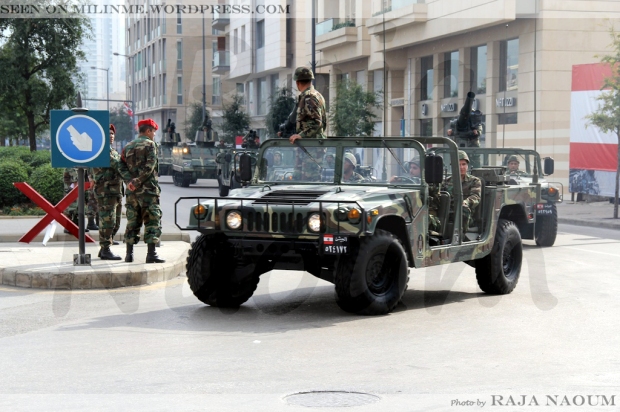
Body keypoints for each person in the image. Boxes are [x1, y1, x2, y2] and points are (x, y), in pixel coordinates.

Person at [119, 118, 165, 264]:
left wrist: (129, 182)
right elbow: (150, 166)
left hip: (132, 192)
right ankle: (151, 254)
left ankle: (129, 254)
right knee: (152, 220)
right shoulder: (151, 145)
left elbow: (121, 166)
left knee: (132, 221)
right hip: (148, 192)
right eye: (154, 132)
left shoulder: (128, 146)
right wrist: (138, 181)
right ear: (148, 131)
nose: (154, 135)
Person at [90, 124, 123, 260]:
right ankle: (105, 249)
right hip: (106, 192)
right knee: (107, 221)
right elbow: (118, 165)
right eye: (108, 133)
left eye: (112, 133)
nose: (111, 136)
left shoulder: (113, 151)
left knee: (115, 222)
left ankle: (105, 245)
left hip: (115, 192)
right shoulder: (101, 151)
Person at [444, 151, 482, 234]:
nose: (461, 167)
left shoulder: (474, 181)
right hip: (448, 212)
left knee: (463, 210)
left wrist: (466, 202)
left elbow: (476, 196)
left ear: (467, 166)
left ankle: (460, 237)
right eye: (458, 164)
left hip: (467, 214)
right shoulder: (446, 181)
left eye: (464, 164)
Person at [62, 168, 98, 233]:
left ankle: (77, 226)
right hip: (71, 185)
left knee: (78, 206)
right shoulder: (71, 161)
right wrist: (76, 181)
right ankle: (67, 227)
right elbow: (71, 170)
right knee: (70, 207)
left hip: (78, 183)